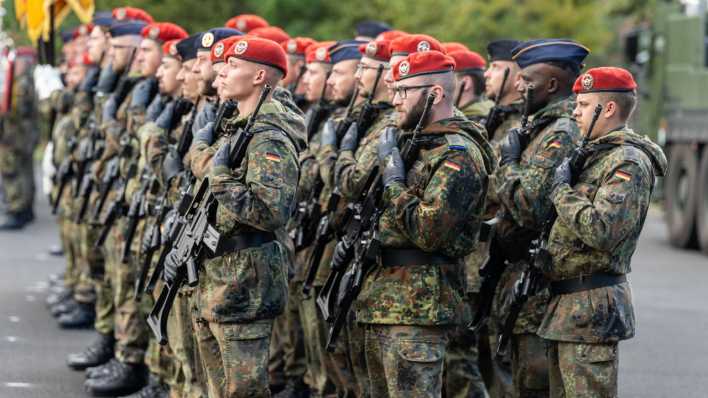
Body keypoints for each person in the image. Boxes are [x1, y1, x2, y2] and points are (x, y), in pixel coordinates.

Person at [357, 50, 495, 398]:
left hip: (420, 307)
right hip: (385, 301)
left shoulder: (456, 153)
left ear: (434, 93)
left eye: (404, 91)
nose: (395, 100)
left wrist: (394, 183)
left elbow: (430, 231)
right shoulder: (415, 143)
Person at [177, 36, 303, 398]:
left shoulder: (269, 138)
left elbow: (269, 212)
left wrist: (218, 177)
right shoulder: (239, 125)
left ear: (260, 76)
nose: (223, 74)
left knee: (243, 392)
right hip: (221, 278)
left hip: (245, 284)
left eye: (233, 66)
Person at [542, 66, 666, 397]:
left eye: (583, 105)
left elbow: (603, 230)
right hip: (568, 309)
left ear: (607, 108)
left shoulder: (627, 162)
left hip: (592, 309)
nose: (575, 112)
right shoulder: (594, 155)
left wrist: (560, 192)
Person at [494, 39, 590, 398]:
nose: (517, 86)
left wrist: (508, 165)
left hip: (541, 288)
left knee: (535, 385)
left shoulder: (561, 133)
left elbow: (529, 205)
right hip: (524, 283)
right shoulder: (540, 127)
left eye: (527, 79)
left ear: (551, 85)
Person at [0, 47, 39, 230]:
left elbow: (18, 111)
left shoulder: (20, 83)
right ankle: (24, 208)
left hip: (17, 134)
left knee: (14, 171)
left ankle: (18, 209)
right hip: (22, 133)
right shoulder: (22, 81)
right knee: (24, 170)